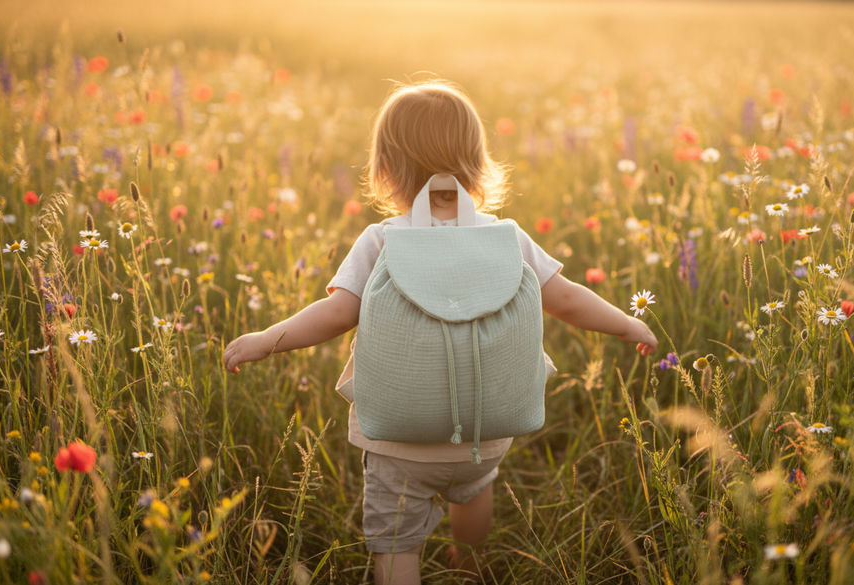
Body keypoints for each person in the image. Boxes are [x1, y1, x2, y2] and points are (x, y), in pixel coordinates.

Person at [222, 80, 658, 585]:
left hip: (399, 444)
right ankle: (469, 566)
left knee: (395, 538)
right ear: (477, 161)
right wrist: (626, 323)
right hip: (485, 434)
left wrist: (264, 341)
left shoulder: (382, 240)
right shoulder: (506, 238)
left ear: (385, 169)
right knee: (474, 492)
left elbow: (336, 313)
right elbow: (564, 298)